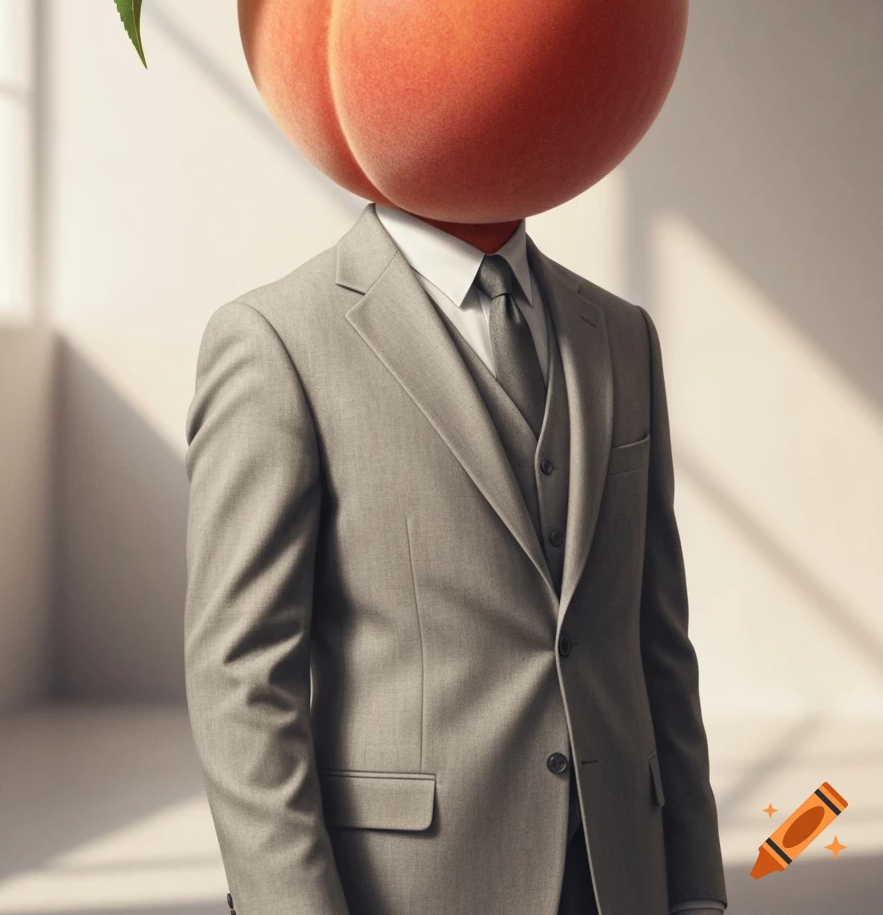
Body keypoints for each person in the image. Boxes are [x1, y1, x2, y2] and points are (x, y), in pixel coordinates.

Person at [183, 195, 728, 915]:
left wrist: (695, 885)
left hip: (623, 869)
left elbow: (657, 637)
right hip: (413, 880)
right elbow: (241, 676)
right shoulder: (276, 337)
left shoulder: (621, 333)